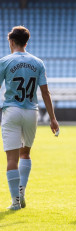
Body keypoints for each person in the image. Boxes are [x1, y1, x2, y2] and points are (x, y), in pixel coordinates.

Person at [0, 26, 59, 210]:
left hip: (12, 110)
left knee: (12, 158)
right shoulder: (38, 62)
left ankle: (15, 201)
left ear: (11, 41)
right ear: (26, 42)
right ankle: (22, 190)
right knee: (25, 153)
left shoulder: (5, 61)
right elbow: (45, 92)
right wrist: (53, 119)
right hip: (31, 112)